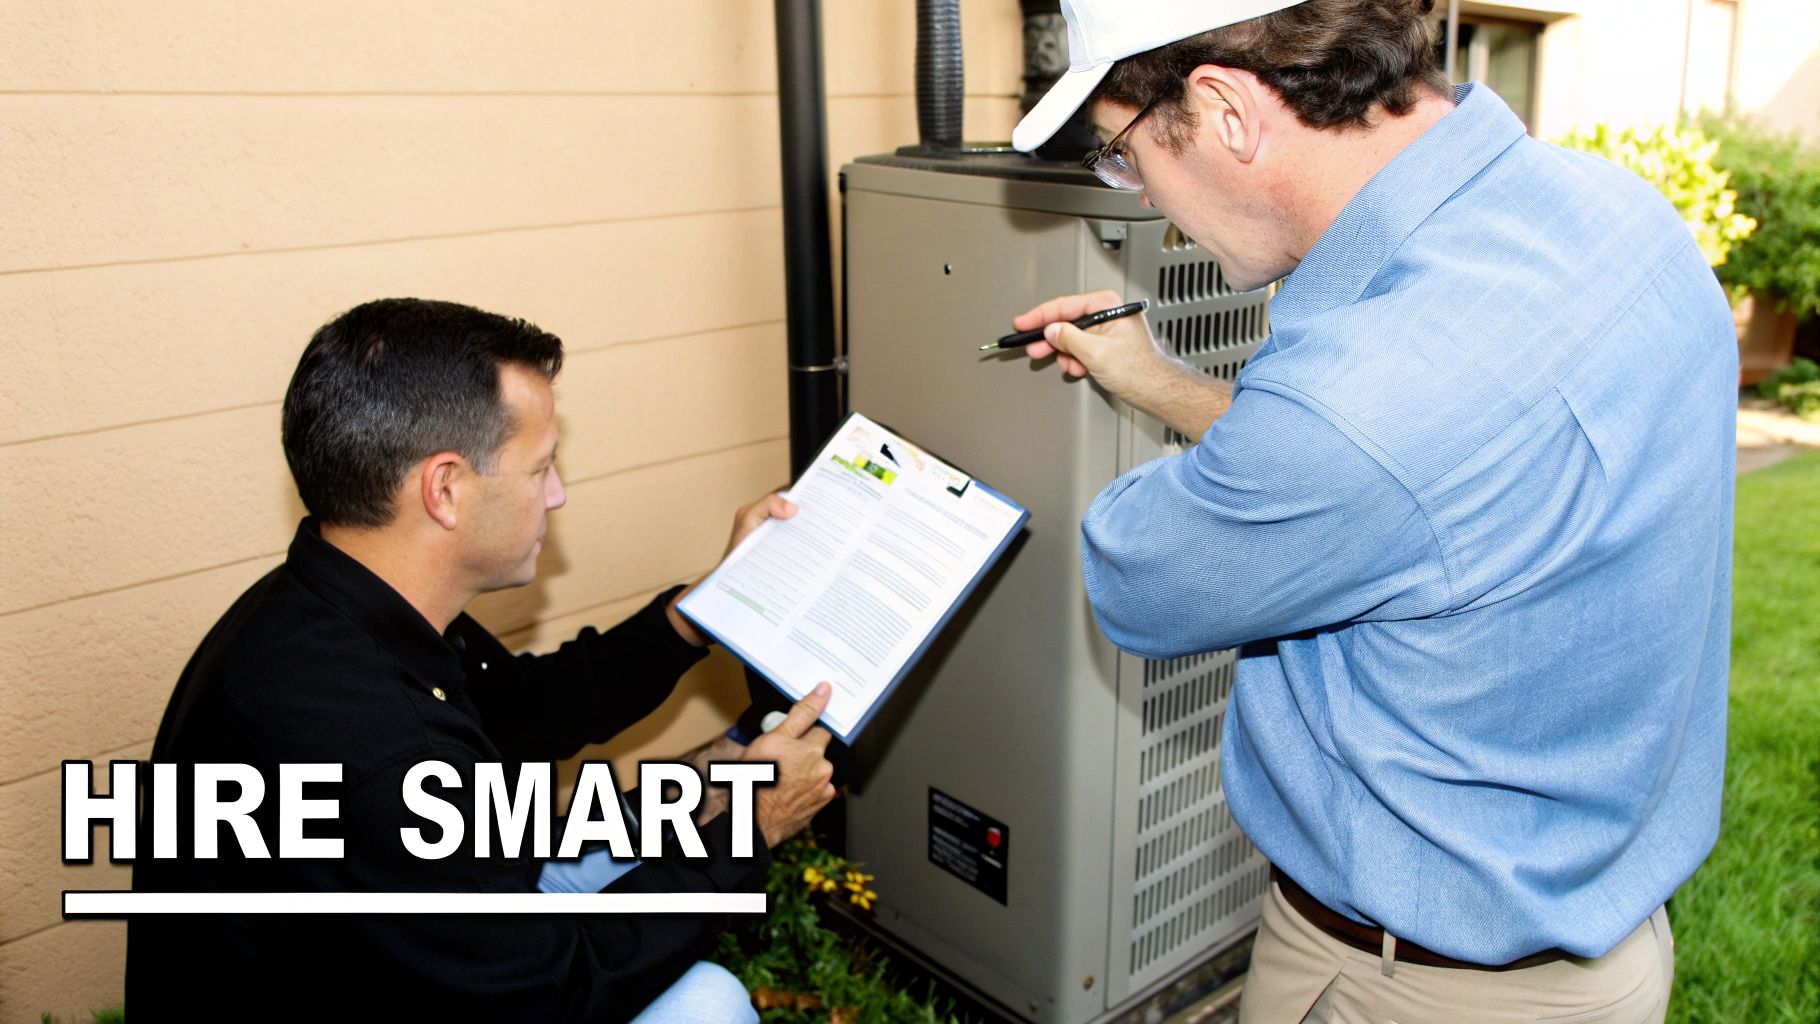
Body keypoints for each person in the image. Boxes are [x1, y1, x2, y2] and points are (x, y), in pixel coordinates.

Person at [1011, 2, 1733, 1021]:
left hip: (1405, 987)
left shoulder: (1355, 404)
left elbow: (1140, 575)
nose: (1152, 204)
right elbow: (1413, 487)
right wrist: (1163, 382)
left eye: (1123, 154)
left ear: (1224, 110)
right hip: (1607, 951)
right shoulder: (1620, 216)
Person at [126, 298, 837, 1022]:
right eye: (541, 468)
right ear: (445, 489)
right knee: (708, 1003)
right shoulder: (379, 746)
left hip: (410, 937)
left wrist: (703, 609)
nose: (557, 495)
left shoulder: (339, 599)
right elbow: (556, 993)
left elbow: (525, 708)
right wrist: (750, 828)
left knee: (645, 819)